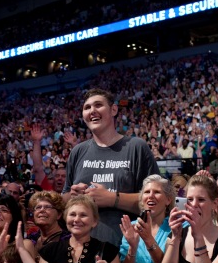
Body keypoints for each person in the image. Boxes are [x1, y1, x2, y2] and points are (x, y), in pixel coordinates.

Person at [62, 88, 160, 247]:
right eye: (87, 108)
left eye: (98, 105)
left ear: (114, 109)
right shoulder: (78, 151)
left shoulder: (136, 147)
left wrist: (112, 198)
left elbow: (158, 201)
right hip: (82, 247)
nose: (92, 111)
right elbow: (64, 198)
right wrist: (73, 196)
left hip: (128, 248)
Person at [39, 194, 131, 263]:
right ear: (65, 218)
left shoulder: (107, 250)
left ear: (94, 222)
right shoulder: (50, 250)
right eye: (72, 214)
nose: (77, 219)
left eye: (83, 215)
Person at [119, 174, 185, 263]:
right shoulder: (130, 228)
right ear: (142, 200)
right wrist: (132, 247)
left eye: (157, 192)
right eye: (147, 192)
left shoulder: (178, 227)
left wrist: (148, 239)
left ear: (168, 200)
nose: (151, 196)